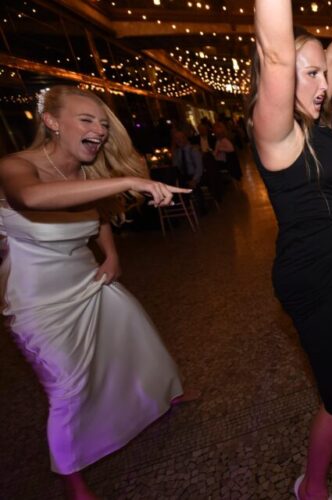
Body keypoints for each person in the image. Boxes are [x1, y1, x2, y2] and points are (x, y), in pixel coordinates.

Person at [0, 85, 196, 500]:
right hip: (35, 300)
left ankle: (165, 394)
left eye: (103, 124)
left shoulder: (86, 174)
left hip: (89, 280)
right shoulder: (15, 167)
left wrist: (110, 255)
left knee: (138, 340)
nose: (99, 130)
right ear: (51, 122)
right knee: (67, 387)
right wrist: (127, 180)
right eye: (86, 120)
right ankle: (72, 476)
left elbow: (99, 215)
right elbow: (32, 198)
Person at [247, 0, 332, 498]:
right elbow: (279, 58)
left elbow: (328, 64)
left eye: (324, 74)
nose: (325, 85)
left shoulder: (311, 120)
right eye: (312, 74)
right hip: (308, 279)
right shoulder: (275, 129)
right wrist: (287, 58)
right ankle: (311, 485)